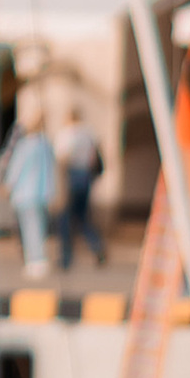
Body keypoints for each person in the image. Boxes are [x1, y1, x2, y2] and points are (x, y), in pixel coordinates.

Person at [2, 113, 59, 276]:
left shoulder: (25, 146)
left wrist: (7, 186)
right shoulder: (46, 145)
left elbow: (16, 169)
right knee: (39, 228)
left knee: (29, 229)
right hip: (43, 193)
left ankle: (35, 261)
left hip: (24, 194)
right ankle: (40, 259)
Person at [52, 110, 105, 271]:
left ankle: (66, 257)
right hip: (86, 177)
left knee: (65, 218)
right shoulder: (89, 133)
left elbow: (62, 156)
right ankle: (97, 246)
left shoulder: (67, 134)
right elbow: (94, 158)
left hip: (70, 176)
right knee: (82, 217)